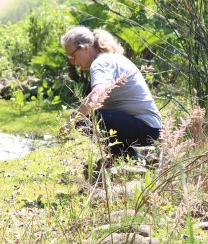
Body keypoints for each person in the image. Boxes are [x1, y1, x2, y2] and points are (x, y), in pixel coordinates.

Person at [59, 26, 161, 161]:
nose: (72, 61)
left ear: (85, 47)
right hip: (150, 126)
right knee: (90, 113)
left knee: (83, 119)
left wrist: (71, 122)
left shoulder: (100, 63)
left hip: (144, 127)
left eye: (72, 55)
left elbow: (97, 96)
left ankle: (121, 157)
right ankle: (124, 158)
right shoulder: (109, 58)